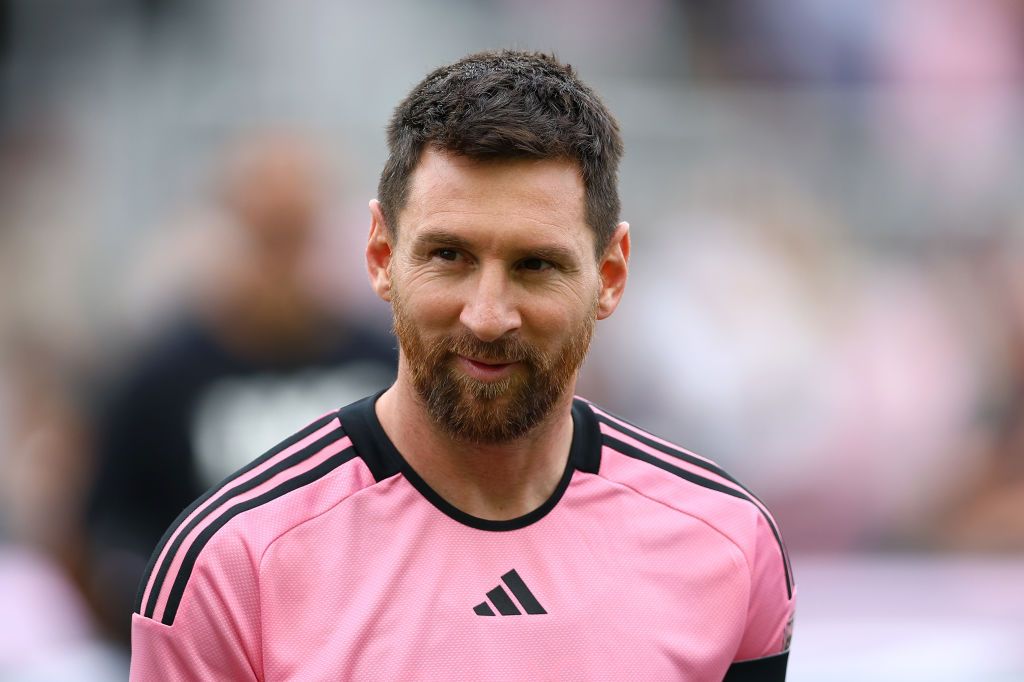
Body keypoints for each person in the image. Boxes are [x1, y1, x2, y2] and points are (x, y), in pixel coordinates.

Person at [130, 50, 795, 681]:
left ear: (611, 274)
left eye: (536, 265)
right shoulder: (233, 563)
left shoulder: (727, 545)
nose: (487, 314)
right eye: (449, 256)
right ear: (381, 256)